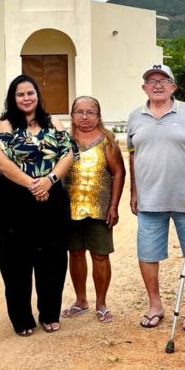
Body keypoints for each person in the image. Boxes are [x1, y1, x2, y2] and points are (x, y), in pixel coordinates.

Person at [127, 64, 185, 332]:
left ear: (173, 87)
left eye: (163, 80)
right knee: (147, 254)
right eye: (151, 81)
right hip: (149, 201)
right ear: (144, 87)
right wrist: (134, 192)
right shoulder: (135, 116)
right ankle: (155, 305)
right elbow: (132, 156)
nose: (157, 85)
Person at [0, 74, 75, 336]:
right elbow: (2, 163)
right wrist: (33, 184)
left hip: (52, 198)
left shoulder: (54, 122)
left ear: (37, 95)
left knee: (53, 258)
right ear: (13, 98)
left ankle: (49, 313)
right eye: (20, 94)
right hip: (15, 200)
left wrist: (48, 181)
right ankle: (21, 318)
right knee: (16, 261)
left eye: (30, 93)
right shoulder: (4, 126)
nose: (26, 98)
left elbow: (68, 154)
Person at [60, 96, 125, 324]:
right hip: (71, 208)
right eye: (79, 112)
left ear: (98, 116)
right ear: (72, 115)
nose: (84, 117)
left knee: (100, 254)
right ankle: (80, 300)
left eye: (90, 112)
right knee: (75, 253)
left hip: (99, 208)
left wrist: (114, 206)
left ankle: (101, 303)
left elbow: (118, 173)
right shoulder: (64, 141)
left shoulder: (107, 141)